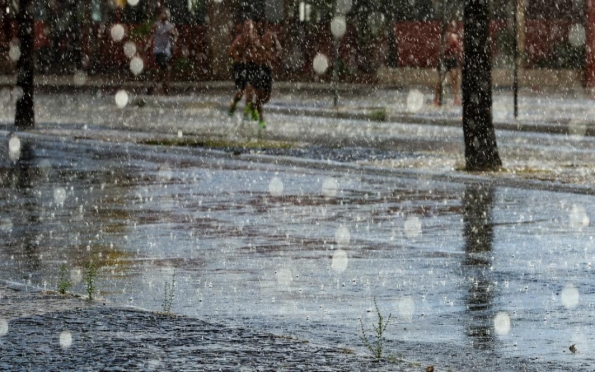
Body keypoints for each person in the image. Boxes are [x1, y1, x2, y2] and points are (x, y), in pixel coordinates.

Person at [249, 23, 282, 129]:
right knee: (259, 94)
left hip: (267, 72)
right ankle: (261, 119)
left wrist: (275, 42)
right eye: (266, 39)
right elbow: (253, 53)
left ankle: (254, 106)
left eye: (270, 40)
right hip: (258, 70)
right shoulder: (258, 43)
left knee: (266, 98)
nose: (268, 41)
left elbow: (279, 49)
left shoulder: (272, 44)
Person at [228, 19, 257, 120]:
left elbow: (258, 52)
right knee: (240, 93)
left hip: (250, 66)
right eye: (247, 28)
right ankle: (233, 105)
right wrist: (239, 56)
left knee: (250, 90)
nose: (249, 31)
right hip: (240, 67)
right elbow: (230, 51)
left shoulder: (254, 40)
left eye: (251, 29)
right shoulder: (239, 39)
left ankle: (247, 112)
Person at [150, 8, 178, 95]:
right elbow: (151, 33)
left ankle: (153, 86)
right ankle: (165, 88)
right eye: (164, 13)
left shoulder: (170, 26)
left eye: (167, 13)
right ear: (160, 15)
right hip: (158, 51)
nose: (165, 15)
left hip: (167, 51)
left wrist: (173, 36)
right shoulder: (156, 25)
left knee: (163, 72)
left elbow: (176, 35)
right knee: (167, 69)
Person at [434, 21, 462, 106]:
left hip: (453, 59)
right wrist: (448, 45)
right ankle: (436, 97)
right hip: (445, 60)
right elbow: (441, 50)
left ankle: (456, 98)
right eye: (451, 26)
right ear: (447, 27)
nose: (453, 27)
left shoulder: (455, 36)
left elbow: (458, 49)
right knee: (441, 80)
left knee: (455, 79)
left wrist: (459, 50)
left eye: (453, 26)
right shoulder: (444, 37)